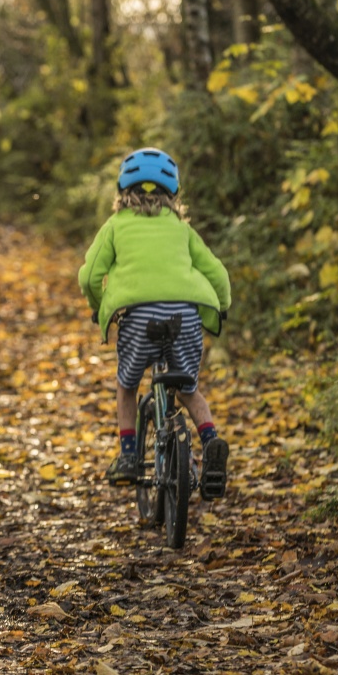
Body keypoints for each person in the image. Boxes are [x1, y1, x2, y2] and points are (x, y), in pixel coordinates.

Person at [78, 147, 231, 499]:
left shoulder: (116, 225)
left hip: (138, 318)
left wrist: (99, 307)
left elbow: (89, 277)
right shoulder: (181, 229)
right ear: (173, 192)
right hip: (185, 318)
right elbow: (217, 273)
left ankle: (130, 457)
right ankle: (210, 441)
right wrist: (222, 307)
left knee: (127, 385)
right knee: (189, 387)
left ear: (122, 189)